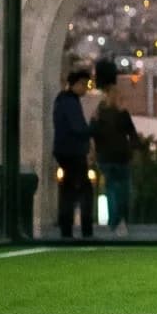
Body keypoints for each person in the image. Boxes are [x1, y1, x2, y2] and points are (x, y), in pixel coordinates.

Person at [52, 65, 97, 240]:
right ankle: (84, 229)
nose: (86, 89)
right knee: (82, 191)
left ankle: (67, 228)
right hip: (72, 152)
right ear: (76, 84)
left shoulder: (62, 100)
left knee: (68, 191)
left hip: (65, 151)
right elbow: (78, 128)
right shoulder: (70, 102)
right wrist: (94, 129)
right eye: (84, 85)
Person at [92, 87, 142, 237]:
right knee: (123, 191)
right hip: (121, 158)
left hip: (106, 159)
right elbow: (133, 135)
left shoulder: (99, 116)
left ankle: (115, 222)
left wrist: (95, 153)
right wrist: (136, 151)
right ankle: (122, 220)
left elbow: (94, 135)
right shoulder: (123, 115)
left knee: (111, 190)